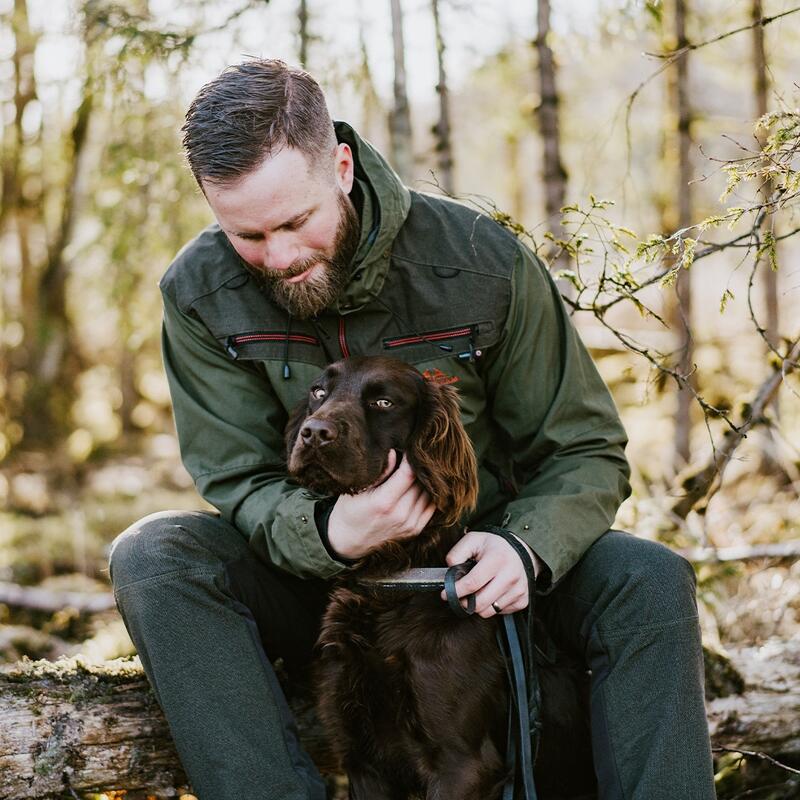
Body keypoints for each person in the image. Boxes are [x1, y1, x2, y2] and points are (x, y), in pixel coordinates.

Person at [109, 59, 716, 800]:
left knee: (649, 577)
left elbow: (583, 449)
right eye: (247, 235)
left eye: (296, 222)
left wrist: (525, 546)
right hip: (321, 581)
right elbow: (238, 479)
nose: (279, 256)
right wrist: (329, 532)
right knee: (154, 556)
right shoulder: (200, 293)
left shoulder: (478, 262)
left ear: (339, 164)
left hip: (480, 577)